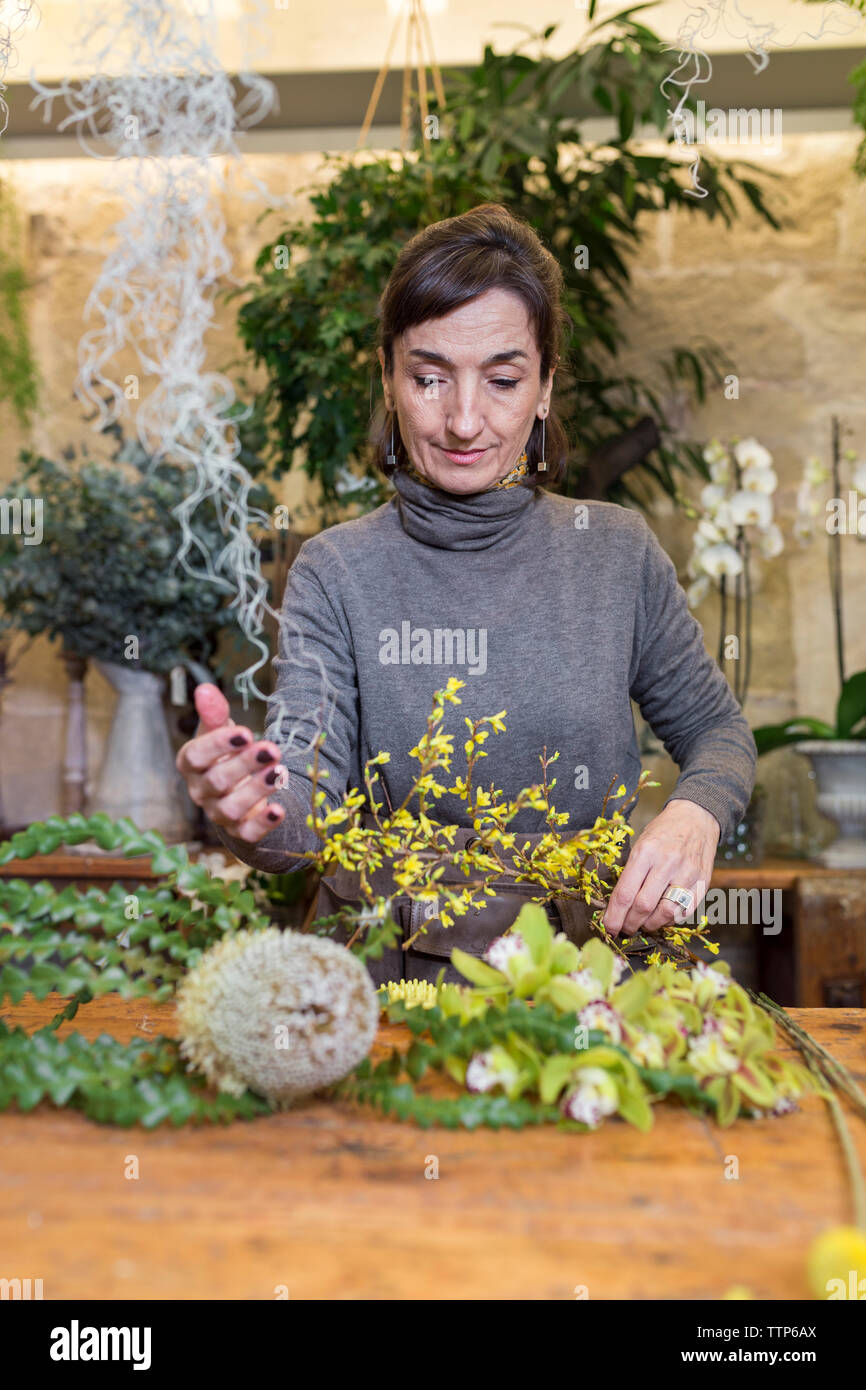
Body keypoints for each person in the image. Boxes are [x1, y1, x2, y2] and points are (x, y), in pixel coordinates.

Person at [176, 203, 756, 984]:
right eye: (429, 377)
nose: (463, 420)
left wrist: (696, 814)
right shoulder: (336, 571)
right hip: (394, 982)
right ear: (388, 375)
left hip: (589, 979)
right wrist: (249, 811)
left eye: (504, 380)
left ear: (546, 387)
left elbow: (720, 731)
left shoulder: (616, 555)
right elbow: (300, 824)